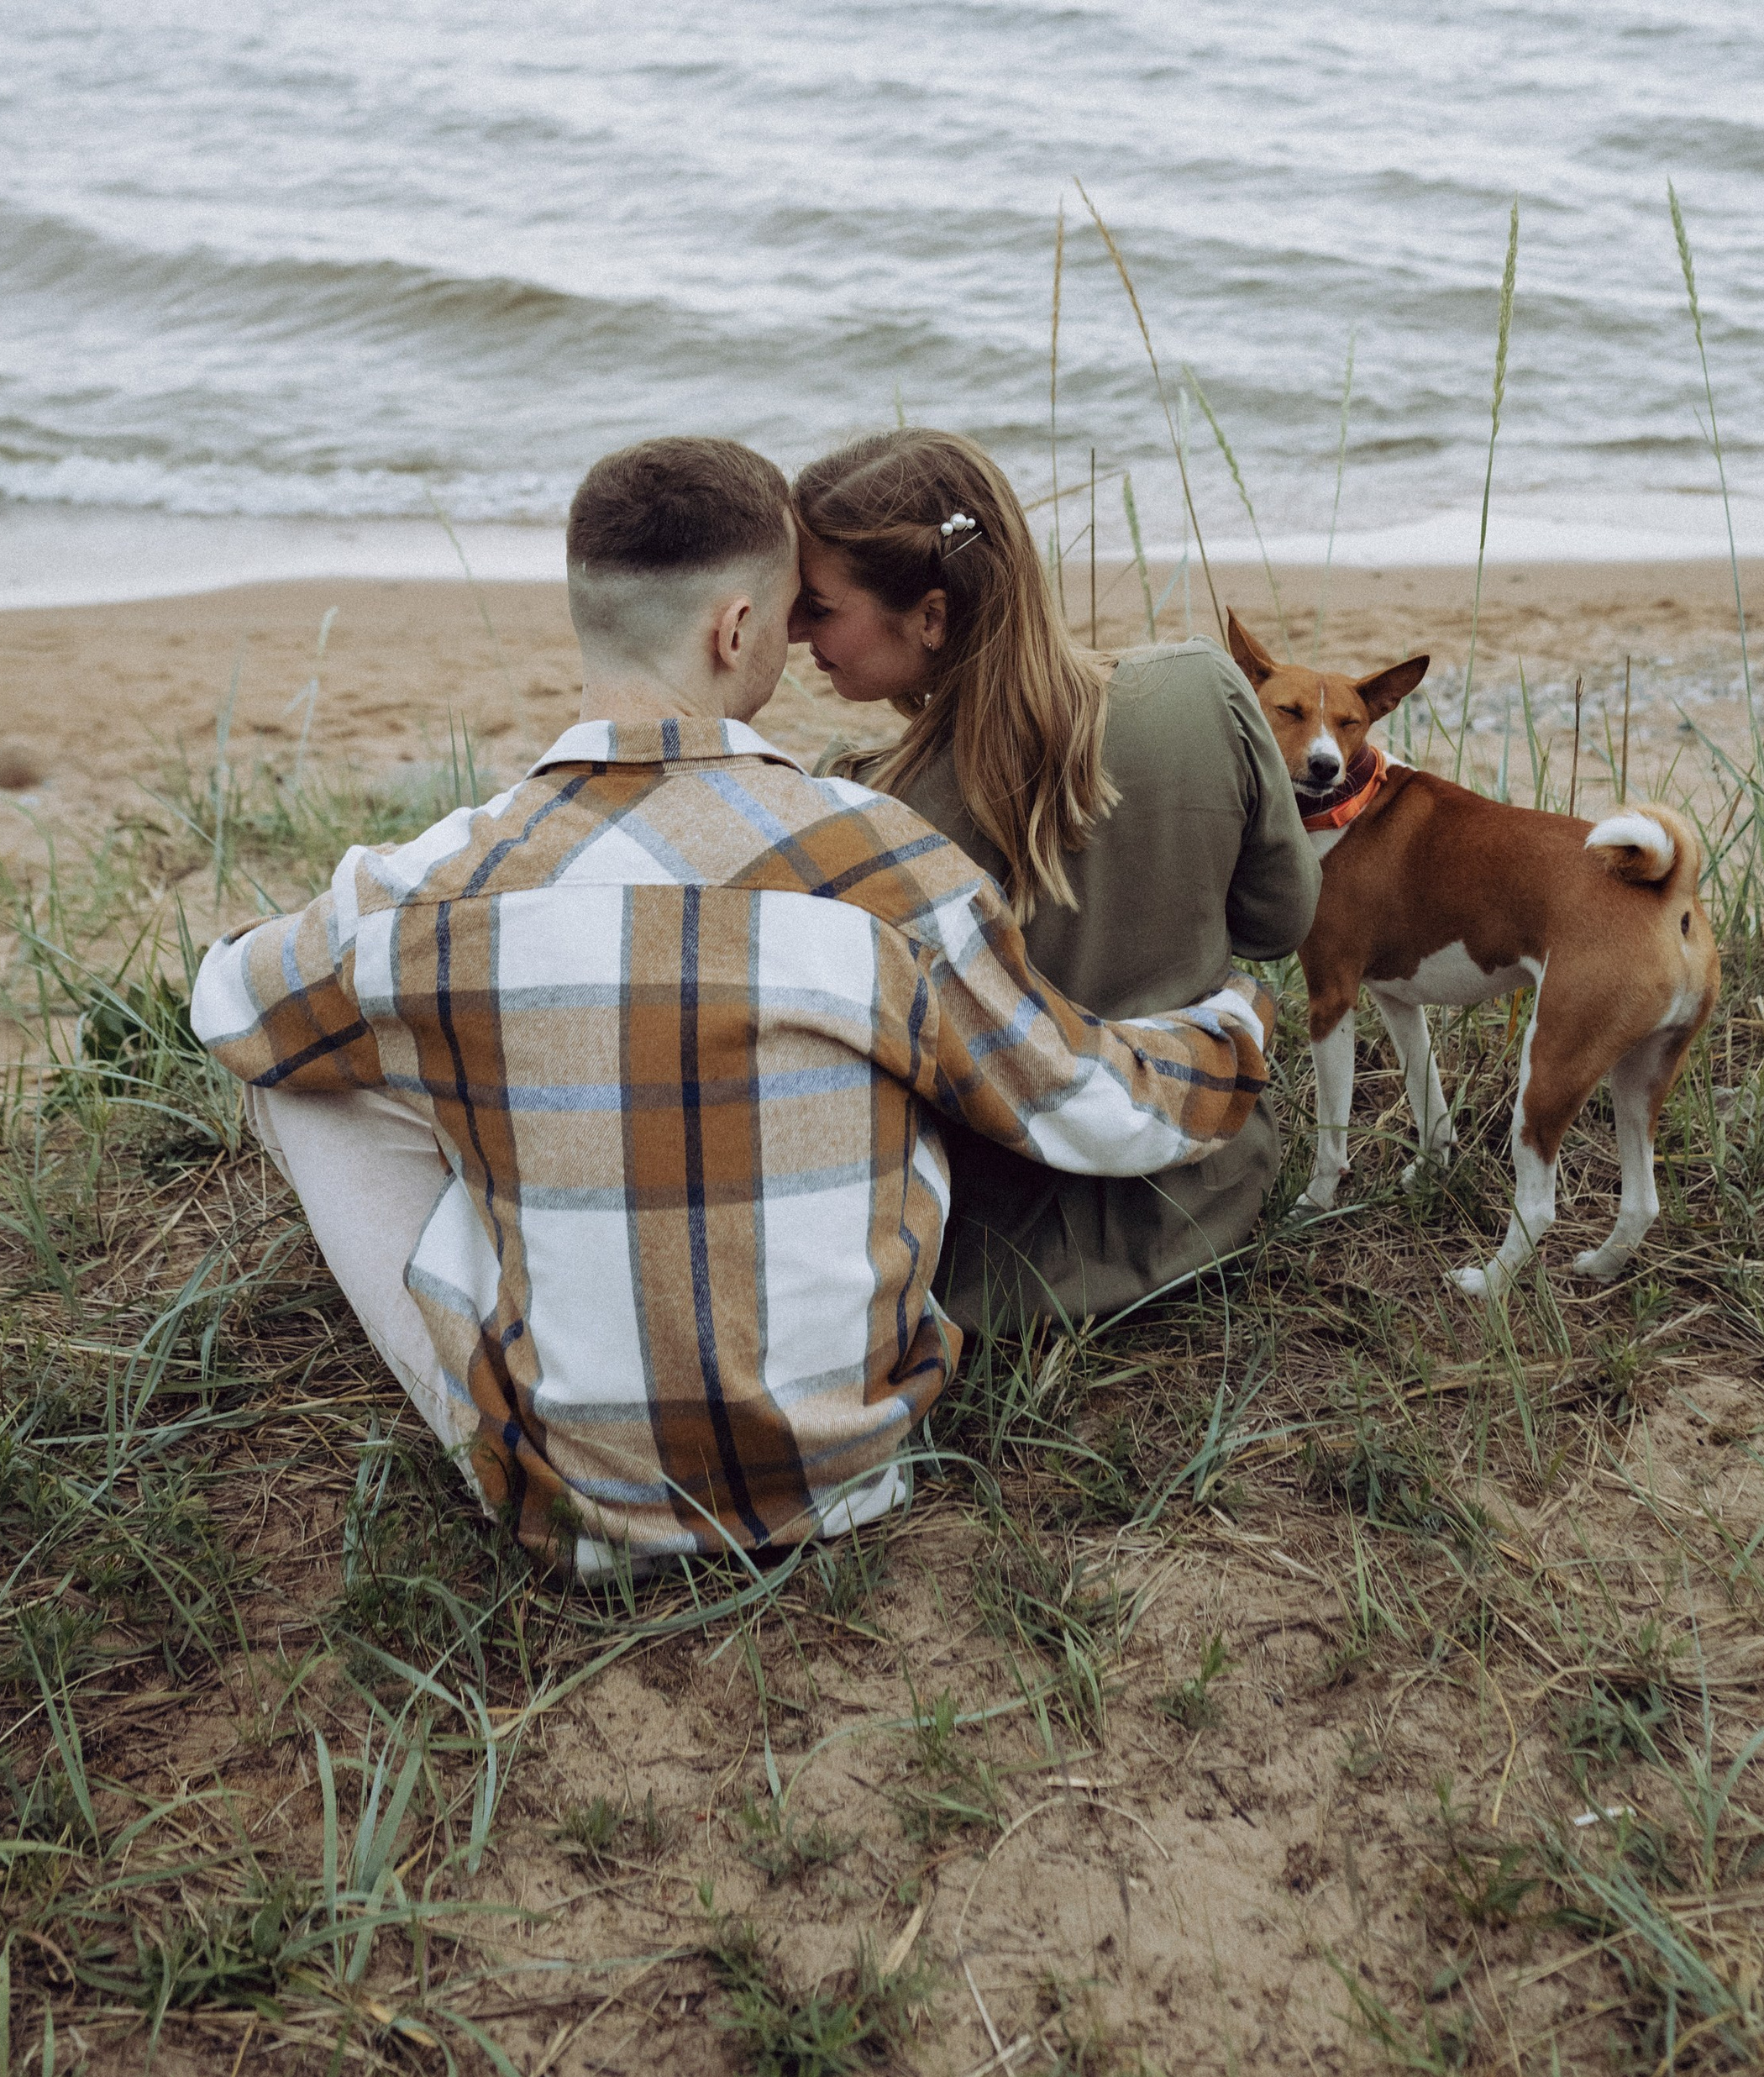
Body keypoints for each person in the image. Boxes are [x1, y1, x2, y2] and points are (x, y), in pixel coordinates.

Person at [190, 434, 1271, 1579]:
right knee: (900, 1042)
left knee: (310, 1080)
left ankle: (535, 1374)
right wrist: (1230, 1031)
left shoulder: (432, 885)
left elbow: (227, 1007)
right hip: (844, 1477)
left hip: (571, 1512)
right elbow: (1089, 1104)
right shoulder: (878, 862)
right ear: (736, 632)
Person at [790, 429, 1319, 1333]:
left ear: (929, 616)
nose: (796, 631)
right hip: (1205, 1197)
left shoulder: (861, 805)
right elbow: (1279, 923)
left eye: (815, 606)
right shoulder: (1202, 689)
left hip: (996, 1261)